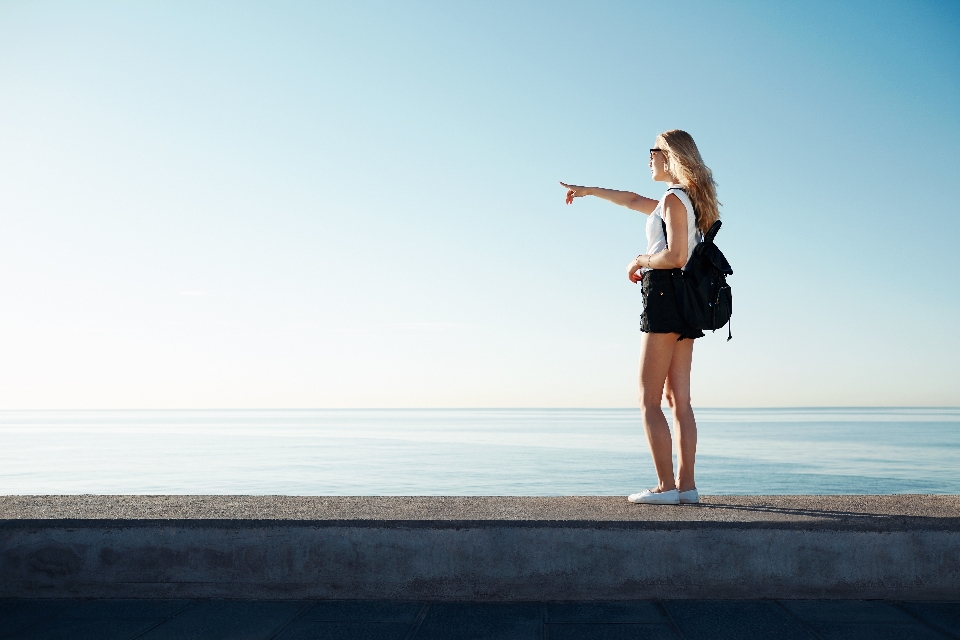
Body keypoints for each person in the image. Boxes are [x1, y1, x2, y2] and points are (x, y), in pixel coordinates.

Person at [560, 129, 720, 505]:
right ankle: (687, 487)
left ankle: (665, 487)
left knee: (648, 399)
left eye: (654, 151)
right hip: (684, 300)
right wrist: (589, 190)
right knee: (678, 399)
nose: (648, 158)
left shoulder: (674, 199)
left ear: (671, 156)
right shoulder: (683, 199)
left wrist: (640, 260)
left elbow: (676, 256)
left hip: (665, 295)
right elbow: (632, 200)